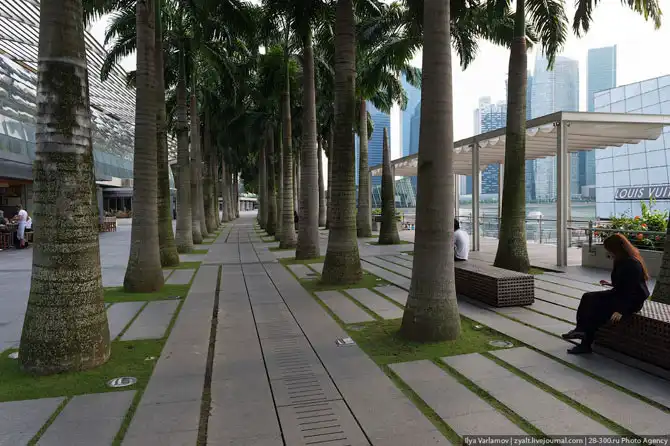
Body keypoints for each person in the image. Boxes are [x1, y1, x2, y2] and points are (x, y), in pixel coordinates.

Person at [562, 233, 650, 355]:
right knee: (588, 297)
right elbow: (623, 284)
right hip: (620, 294)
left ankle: (585, 344)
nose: (608, 253)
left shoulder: (632, 264)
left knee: (596, 310)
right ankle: (580, 330)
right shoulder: (621, 261)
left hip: (631, 301)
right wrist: (611, 284)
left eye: (609, 250)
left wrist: (621, 310)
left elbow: (631, 290)